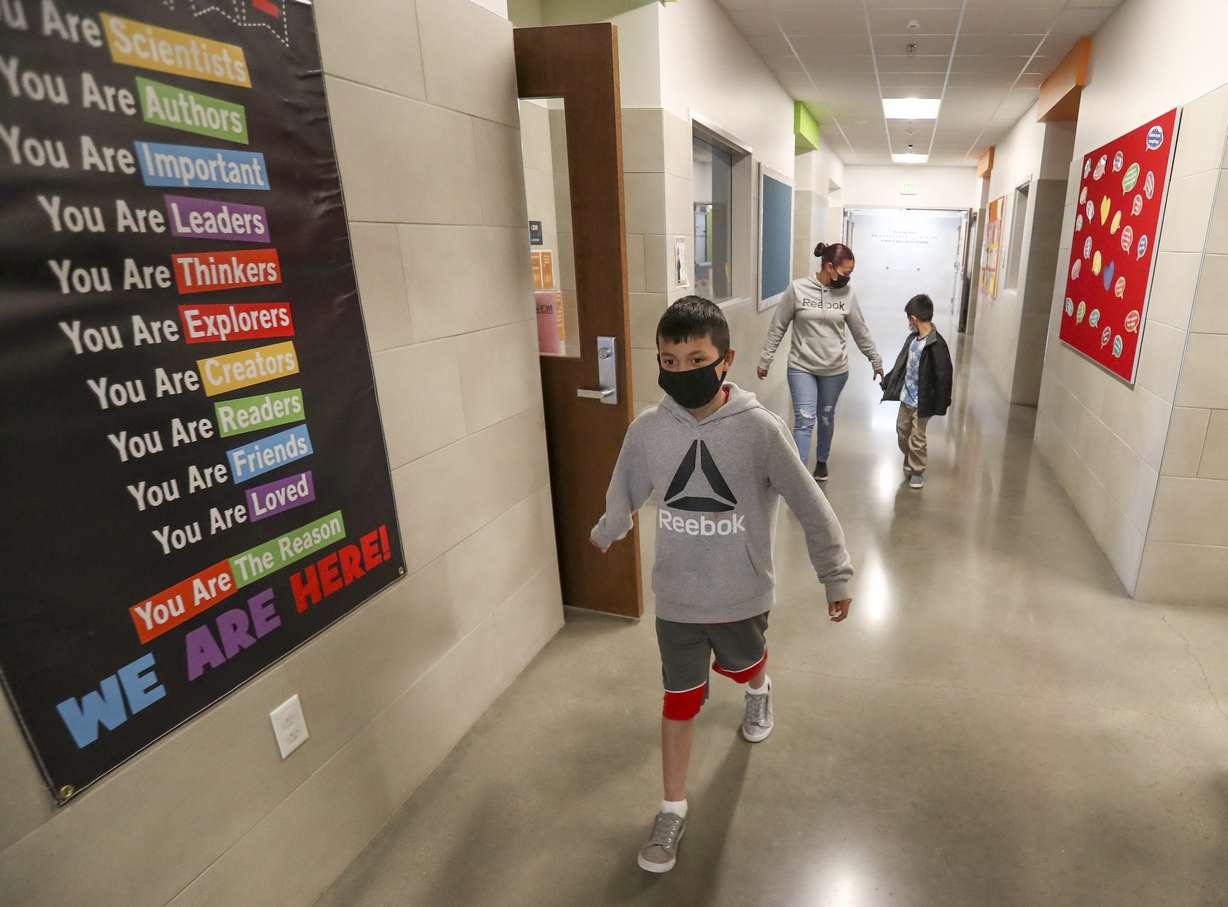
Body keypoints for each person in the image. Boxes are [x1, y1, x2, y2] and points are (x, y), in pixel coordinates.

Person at [590, 296, 855, 874]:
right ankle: (671, 807)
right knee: (679, 701)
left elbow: (810, 503)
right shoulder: (648, 431)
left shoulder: (760, 431)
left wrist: (835, 574)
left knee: (744, 665)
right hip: (678, 600)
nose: (682, 371)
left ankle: (759, 687)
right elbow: (625, 488)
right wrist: (609, 529)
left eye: (696, 359)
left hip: (741, 594)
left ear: (726, 359)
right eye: (670, 360)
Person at [757, 241, 883, 483]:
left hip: (835, 369)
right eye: (845, 272)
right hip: (801, 366)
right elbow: (778, 326)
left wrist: (874, 359)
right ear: (829, 266)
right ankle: (800, 476)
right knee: (804, 419)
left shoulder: (848, 294)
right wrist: (766, 359)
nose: (848, 278)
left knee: (826, 416)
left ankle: (822, 461)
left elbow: (860, 330)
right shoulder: (797, 289)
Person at [879, 294, 953, 490]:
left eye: (908, 320)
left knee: (917, 437)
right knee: (902, 432)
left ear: (914, 319)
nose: (908, 324)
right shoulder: (912, 340)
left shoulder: (937, 345)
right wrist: (888, 380)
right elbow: (902, 365)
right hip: (906, 398)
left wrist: (942, 400)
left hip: (923, 402)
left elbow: (944, 375)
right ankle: (910, 456)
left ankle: (917, 470)